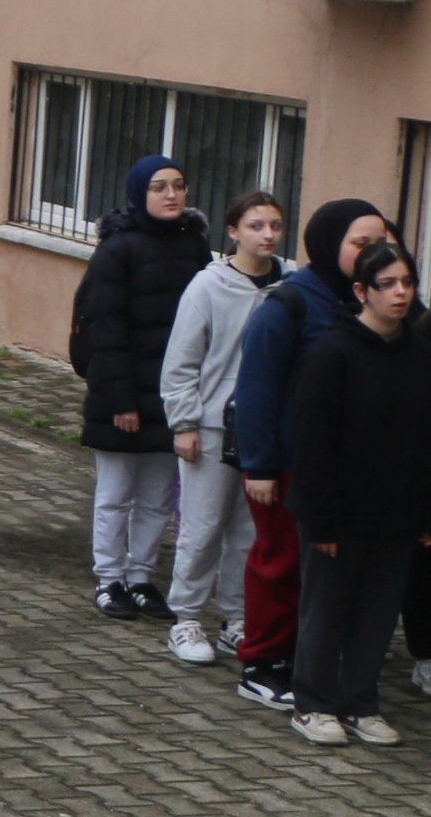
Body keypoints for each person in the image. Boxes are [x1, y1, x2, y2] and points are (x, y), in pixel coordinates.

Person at [230, 198, 391, 705]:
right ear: (329, 243)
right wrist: (260, 465)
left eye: (381, 243)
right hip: (286, 465)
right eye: (361, 243)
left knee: (326, 572)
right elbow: (257, 389)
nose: (373, 253)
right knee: (280, 564)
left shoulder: (375, 303)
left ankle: (308, 660)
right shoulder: (290, 304)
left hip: (345, 469)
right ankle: (262, 663)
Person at [283, 239, 431, 746]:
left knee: (377, 613)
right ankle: (312, 704)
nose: (400, 293)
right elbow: (312, 442)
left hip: (397, 513)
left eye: (407, 283)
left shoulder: (420, 355)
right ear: (362, 291)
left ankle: (360, 704)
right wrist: (320, 518)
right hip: (339, 513)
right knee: (326, 610)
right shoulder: (333, 353)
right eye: (387, 285)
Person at [70, 155, 204, 620]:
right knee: (116, 494)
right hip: (124, 397)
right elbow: (105, 331)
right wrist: (121, 400)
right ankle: (109, 579)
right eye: (159, 187)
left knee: (158, 497)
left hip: (172, 397)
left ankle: (142, 577)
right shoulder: (118, 250)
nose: (171, 195)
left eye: (178, 185)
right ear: (138, 194)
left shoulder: (194, 246)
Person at [158, 190, 287, 668]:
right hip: (212, 426)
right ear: (233, 232)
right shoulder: (207, 287)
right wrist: (184, 423)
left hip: (262, 430)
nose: (268, 235)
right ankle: (186, 616)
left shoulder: (287, 287)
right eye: (256, 226)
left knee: (250, 531)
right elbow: (181, 361)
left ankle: (237, 618)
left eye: (275, 225)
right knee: (202, 526)